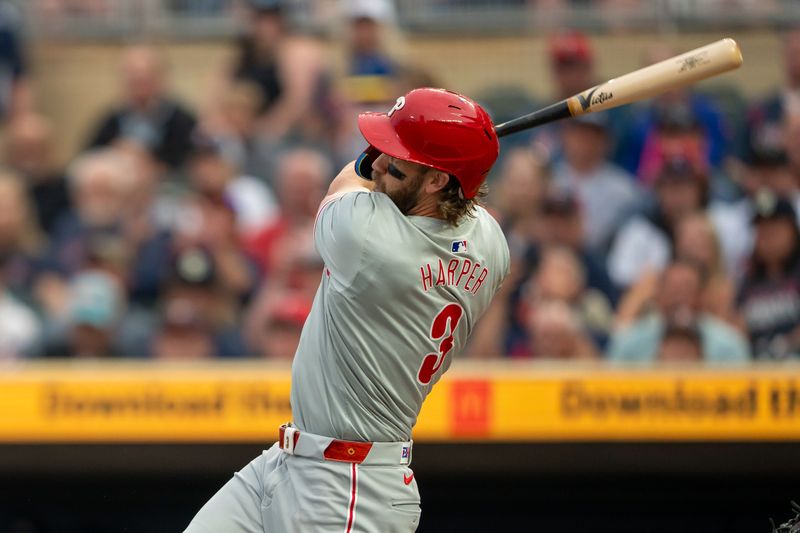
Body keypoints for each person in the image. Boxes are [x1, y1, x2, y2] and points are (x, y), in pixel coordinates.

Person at [185, 87, 509, 532]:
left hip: (349, 487)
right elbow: (457, 207)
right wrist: (432, 159)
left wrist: (391, 158)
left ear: (436, 181)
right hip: (290, 462)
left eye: (394, 157)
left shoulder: (367, 239)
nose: (377, 162)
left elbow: (348, 176)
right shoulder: (491, 244)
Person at [85, 45, 197, 170]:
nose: (139, 84)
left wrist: (149, 162)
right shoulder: (111, 121)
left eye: (145, 77)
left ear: (161, 78)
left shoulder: (182, 122)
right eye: (133, 77)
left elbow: (191, 163)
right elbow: (87, 159)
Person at [736, 194, 800, 360]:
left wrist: (787, 344)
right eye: (761, 229)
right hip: (757, 372)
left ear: (793, 231)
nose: (767, 236)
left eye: (775, 228)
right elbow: (737, 325)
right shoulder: (747, 280)